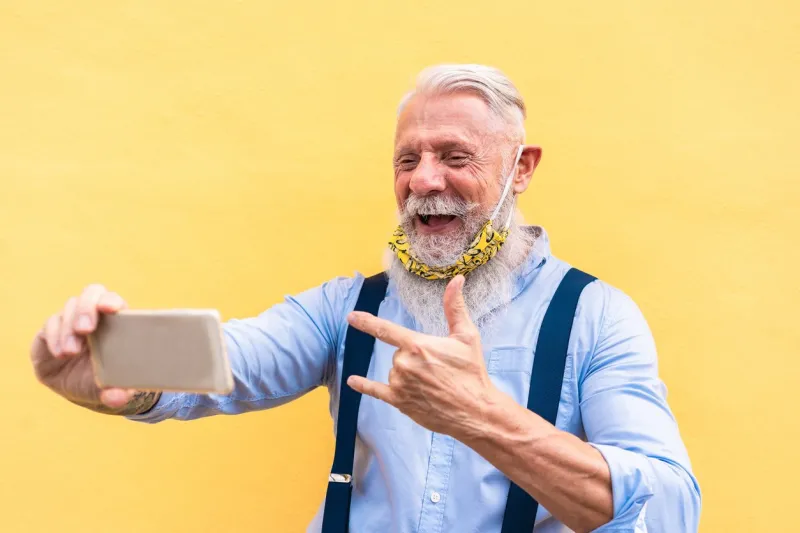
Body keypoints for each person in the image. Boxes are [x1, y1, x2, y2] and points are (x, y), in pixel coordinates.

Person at [30, 64, 701, 533]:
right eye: (407, 160)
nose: (423, 179)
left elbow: (668, 511)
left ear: (521, 167)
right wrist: (116, 367)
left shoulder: (596, 317)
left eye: (454, 155)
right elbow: (230, 357)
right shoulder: (347, 308)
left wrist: (480, 416)